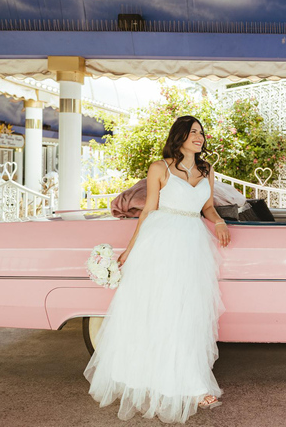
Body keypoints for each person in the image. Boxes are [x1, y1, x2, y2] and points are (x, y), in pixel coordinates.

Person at [84, 115, 231, 423]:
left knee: (188, 313)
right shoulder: (159, 168)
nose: (199, 137)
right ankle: (169, 383)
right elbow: (149, 209)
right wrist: (130, 248)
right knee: (160, 312)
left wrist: (218, 222)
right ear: (179, 136)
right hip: (160, 243)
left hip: (193, 245)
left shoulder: (206, 169)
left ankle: (190, 382)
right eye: (193, 132)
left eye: (201, 133)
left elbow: (207, 207)